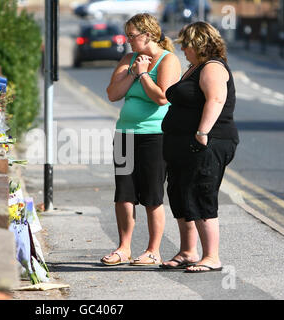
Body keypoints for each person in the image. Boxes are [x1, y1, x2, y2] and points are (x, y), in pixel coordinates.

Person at [101, 13, 181, 266]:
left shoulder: (168, 60)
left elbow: (162, 97)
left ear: (148, 35)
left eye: (132, 35)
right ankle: (124, 248)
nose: (128, 40)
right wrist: (134, 73)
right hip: (125, 135)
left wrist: (144, 73)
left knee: (152, 194)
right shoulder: (128, 60)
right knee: (123, 193)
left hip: (155, 136)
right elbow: (113, 94)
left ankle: (153, 250)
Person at [161, 22, 239, 272]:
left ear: (199, 43)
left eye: (186, 43)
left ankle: (211, 257)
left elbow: (216, 99)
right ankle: (187, 252)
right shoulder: (195, 67)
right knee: (181, 194)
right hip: (181, 144)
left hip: (208, 142)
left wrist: (202, 132)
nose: (182, 48)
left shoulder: (213, 67)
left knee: (201, 193)